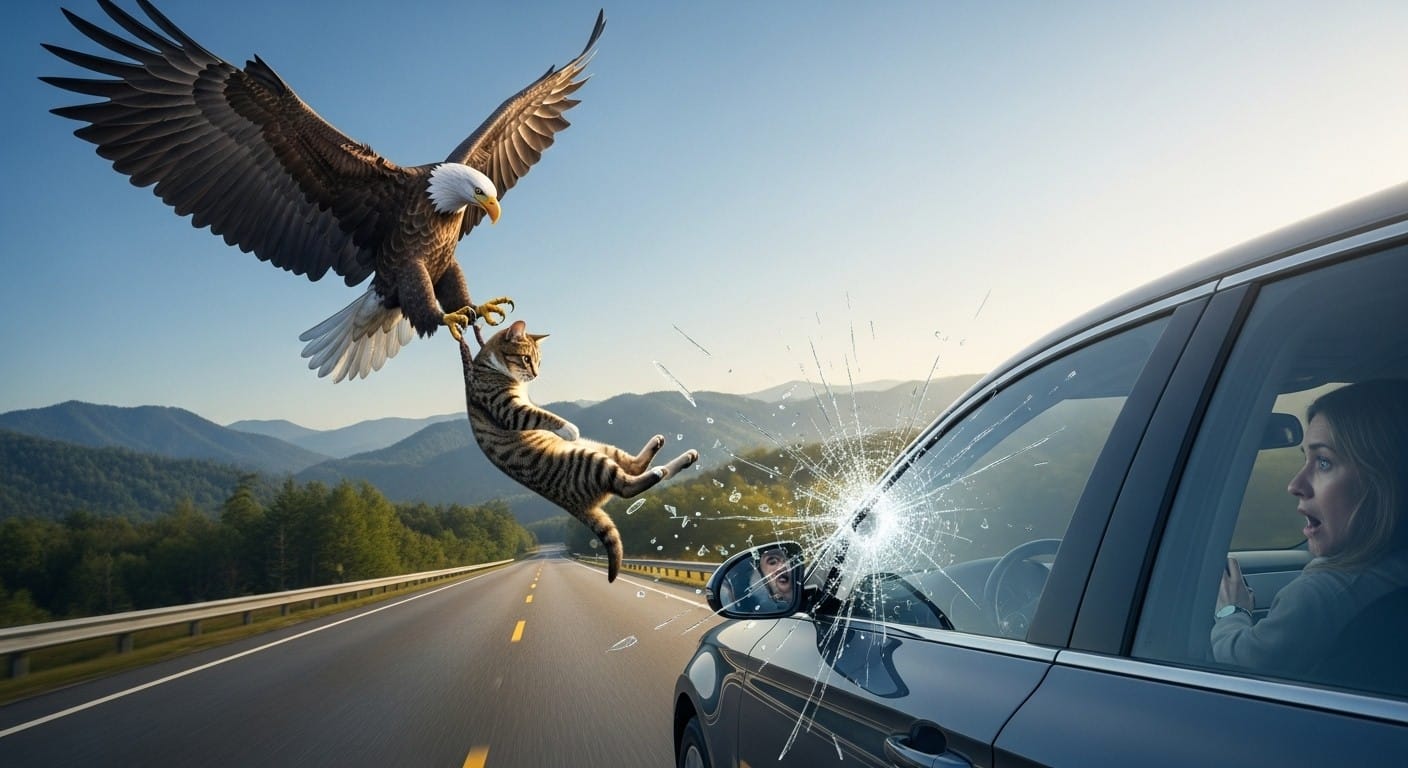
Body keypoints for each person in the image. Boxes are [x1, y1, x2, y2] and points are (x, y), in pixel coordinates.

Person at [1212, 380, 1408, 677]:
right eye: (1305, 459)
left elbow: (1242, 663)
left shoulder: (1325, 596)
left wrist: (1232, 612)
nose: (1295, 485)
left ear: (1384, 481)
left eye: (1324, 462)